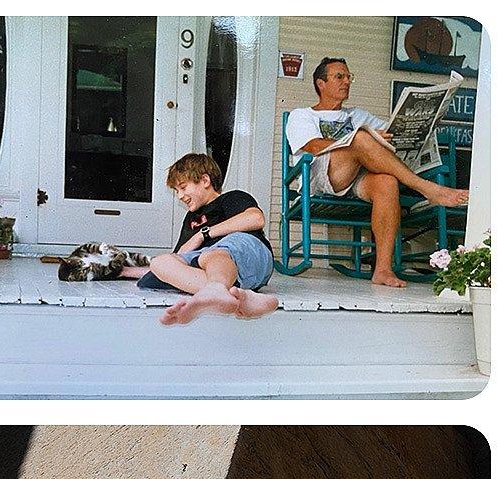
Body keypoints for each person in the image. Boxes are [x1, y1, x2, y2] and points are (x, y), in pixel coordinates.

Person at [286, 57, 469, 288]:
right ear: (320, 84)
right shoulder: (303, 115)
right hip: (321, 176)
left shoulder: (358, 115)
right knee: (362, 137)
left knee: (387, 181)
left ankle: (382, 269)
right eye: (339, 76)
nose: (346, 81)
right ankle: (427, 189)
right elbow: (313, 146)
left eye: (348, 76)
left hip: (355, 180)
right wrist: (359, 140)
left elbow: (392, 134)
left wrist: (424, 123)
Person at [120, 153, 279, 325]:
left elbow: (255, 219)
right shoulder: (190, 218)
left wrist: (203, 234)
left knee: (212, 254)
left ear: (205, 180)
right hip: (227, 274)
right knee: (160, 264)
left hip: (249, 252)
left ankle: (217, 288)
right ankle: (237, 296)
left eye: (183, 187)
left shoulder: (231, 198)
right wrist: (123, 271)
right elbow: (179, 258)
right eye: (176, 191)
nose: (180, 195)